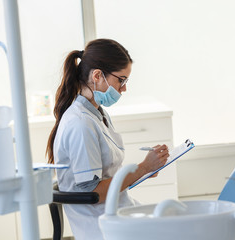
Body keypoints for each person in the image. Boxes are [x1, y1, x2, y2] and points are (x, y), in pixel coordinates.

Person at [46, 38, 169, 240]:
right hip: (101, 226)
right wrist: (143, 168)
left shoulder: (96, 113)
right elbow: (94, 193)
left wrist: (145, 170)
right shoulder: (80, 123)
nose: (124, 88)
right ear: (97, 75)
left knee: (172, 217)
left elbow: (105, 175)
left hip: (116, 213)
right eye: (121, 80)